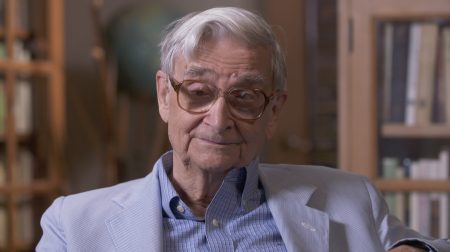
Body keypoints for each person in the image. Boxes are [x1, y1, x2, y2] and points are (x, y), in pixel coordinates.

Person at [37, 7, 449, 252]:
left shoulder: (349, 198)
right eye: (197, 92)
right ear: (165, 95)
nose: (218, 120)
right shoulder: (74, 226)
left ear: (273, 111)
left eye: (246, 97)